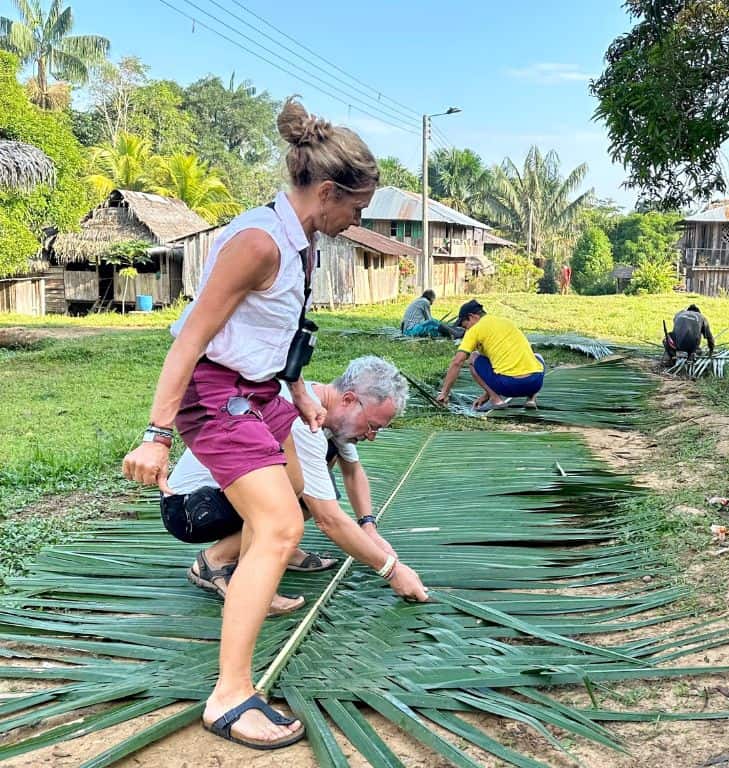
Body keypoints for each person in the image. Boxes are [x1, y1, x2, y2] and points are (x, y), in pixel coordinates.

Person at [122, 98, 427, 751]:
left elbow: (280, 333)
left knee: (294, 496)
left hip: (261, 390)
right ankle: (229, 696)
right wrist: (156, 434)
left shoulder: (302, 244)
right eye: (357, 208)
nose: (357, 221)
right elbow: (190, 339)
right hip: (217, 392)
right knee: (283, 525)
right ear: (327, 192)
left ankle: (231, 573)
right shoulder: (259, 242)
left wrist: (298, 393)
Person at [161, 357, 422, 617]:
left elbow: (353, 472)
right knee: (306, 494)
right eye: (373, 426)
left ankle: (280, 548)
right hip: (191, 508)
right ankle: (218, 560)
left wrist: (368, 527)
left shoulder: (321, 405)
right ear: (349, 400)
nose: (372, 436)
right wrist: (391, 570)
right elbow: (328, 519)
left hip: (220, 493)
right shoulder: (304, 422)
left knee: (317, 482)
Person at [436, 299, 545, 412]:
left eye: (466, 326)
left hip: (509, 386)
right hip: (535, 383)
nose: (466, 329)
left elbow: (457, 362)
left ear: (472, 317)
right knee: (537, 357)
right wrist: (485, 395)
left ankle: (496, 400)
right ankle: (531, 399)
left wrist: (444, 393)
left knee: (473, 357)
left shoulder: (475, 329)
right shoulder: (506, 322)